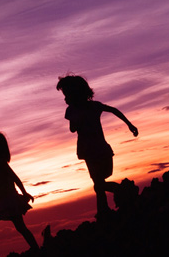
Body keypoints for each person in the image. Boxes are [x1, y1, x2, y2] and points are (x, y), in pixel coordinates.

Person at [56, 74, 139, 219]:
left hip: (91, 150)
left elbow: (72, 129)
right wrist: (130, 125)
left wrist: (130, 125)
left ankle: (119, 191)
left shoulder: (74, 110)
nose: (65, 98)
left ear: (74, 94)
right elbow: (114, 110)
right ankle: (104, 210)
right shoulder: (93, 106)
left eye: (66, 94)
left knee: (99, 184)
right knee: (98, 183)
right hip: (98, 149)